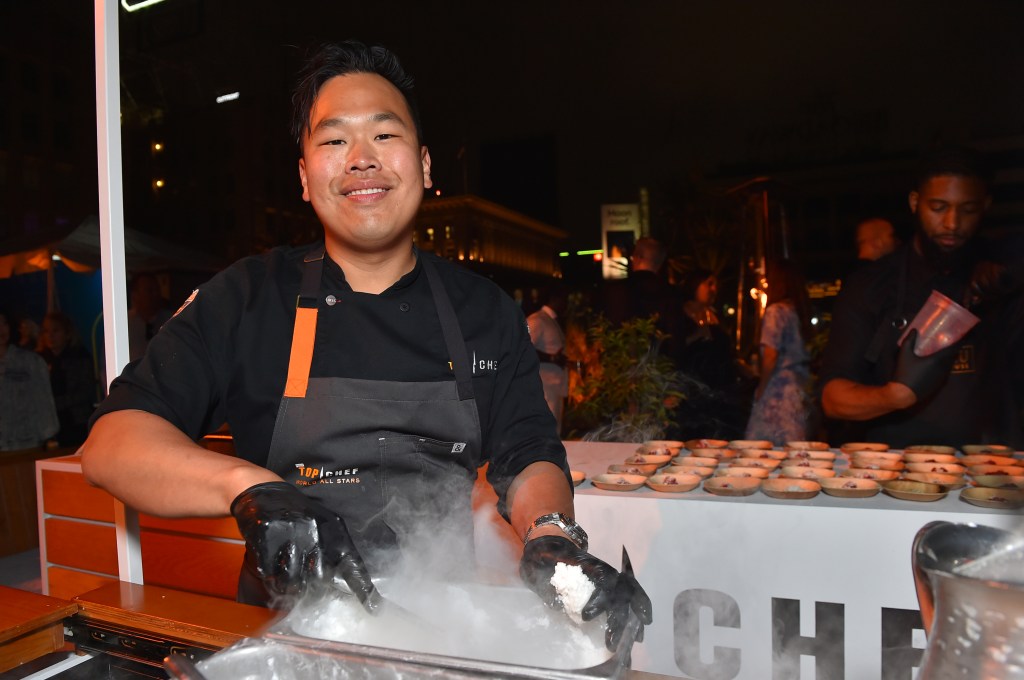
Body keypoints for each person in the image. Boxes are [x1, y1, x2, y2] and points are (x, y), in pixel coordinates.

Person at [80, 40, 649, 648]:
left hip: (446, 630)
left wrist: (549, 536)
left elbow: (529, 452)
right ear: (304, 177)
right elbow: (112, 444)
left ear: (426, 167)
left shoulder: (482, 309)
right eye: (333, 141)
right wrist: (248, 490)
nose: (360, 159)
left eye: (384, 135)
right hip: (284, 636)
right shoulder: (247, 298)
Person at [820, 146, 1024, 448]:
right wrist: (896, 395)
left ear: (985, 205)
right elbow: (832, 398)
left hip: (993, 473)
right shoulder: (872, 286)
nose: (952, 224)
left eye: (967, 210)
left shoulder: (1002, 276)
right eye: (939, 207)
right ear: (915, 202)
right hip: (896, 473)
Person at [744, 260, 813, 445]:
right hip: (799, 387)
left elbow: (771, 355)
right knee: (794, 444)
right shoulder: (797, 312)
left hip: (778, 390)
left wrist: (761, 388)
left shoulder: (775, 312)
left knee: (761, 446)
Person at [672, 268, 746, 439]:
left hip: (718, 394)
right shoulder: (678, 314)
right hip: (690, 393)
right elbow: (674, 350)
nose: (713, 289)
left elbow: (728, 355)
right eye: (709, 284)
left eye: (716, 285)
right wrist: (698, 335)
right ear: (695, 285)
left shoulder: (715, 316)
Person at [602, 236, 680, 356]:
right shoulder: (672, 294)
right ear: (659, 263)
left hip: (622, 365)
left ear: (638, 258)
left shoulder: (615, 291)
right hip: (660, 368)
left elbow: (607, 334)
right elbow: (675, 341)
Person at [0, 310, 59, 451]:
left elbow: (44, 402)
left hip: (27, 445)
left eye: (4, 323)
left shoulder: (30, 362)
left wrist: (49, 437)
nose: (1, 329)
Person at [38, 311, 98, 448]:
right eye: (46, 331)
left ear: (67, 333)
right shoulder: (38, 360)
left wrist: (57, 403)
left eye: (56, 330)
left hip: (75, 423)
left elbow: (86, 391)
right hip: (47, 425)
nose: (50, 336)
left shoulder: (79, 357)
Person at [526, 285, 569, 433]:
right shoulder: (537, 320)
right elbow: (523, 348)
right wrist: (552, 358)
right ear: (555, 299)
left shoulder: (551, 320)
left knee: (555, 429)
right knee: (546, 431)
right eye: (565, 299)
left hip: (555, 386)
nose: (567, 303)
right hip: (544, 386)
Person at [127, 272, 173, 362]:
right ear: (135, 295)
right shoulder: (124, 322)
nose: (155, 294)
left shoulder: (171, 320)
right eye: (149, 290)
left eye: (157, 290)